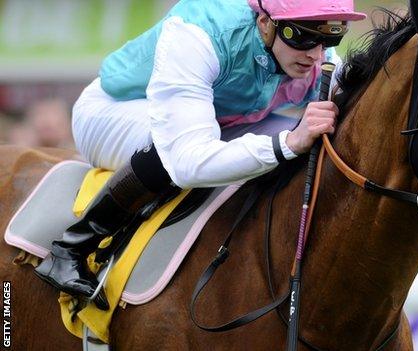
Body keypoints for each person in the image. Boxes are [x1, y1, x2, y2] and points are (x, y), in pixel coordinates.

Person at [34, 0, 366, 310]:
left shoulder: (315, 55)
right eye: (305, 38)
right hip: (112, 112)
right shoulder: (198, 34)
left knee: (314, 143)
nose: (316, 56)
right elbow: (187, 161)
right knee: (173, 150)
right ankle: (70, 249)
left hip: (217, 123)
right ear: (265, 23)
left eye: (328, 39)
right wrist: (287, 143)